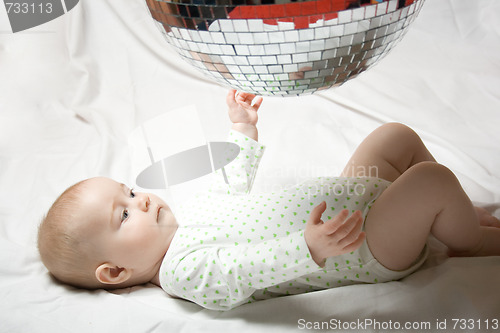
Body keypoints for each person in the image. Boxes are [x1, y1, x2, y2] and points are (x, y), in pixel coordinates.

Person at [38, 90, 500, 311]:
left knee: (394, 137)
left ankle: (447, 215)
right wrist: (309, 249)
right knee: (430, 180)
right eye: (122, 214)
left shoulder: (189, 215)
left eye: (131, 191)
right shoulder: (181, 271)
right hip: (359, 246)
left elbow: (230, 180)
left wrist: (242, 129)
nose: (140, 202)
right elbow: (243, 269)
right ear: (115, 272)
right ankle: (467, 240)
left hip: (347, 202)